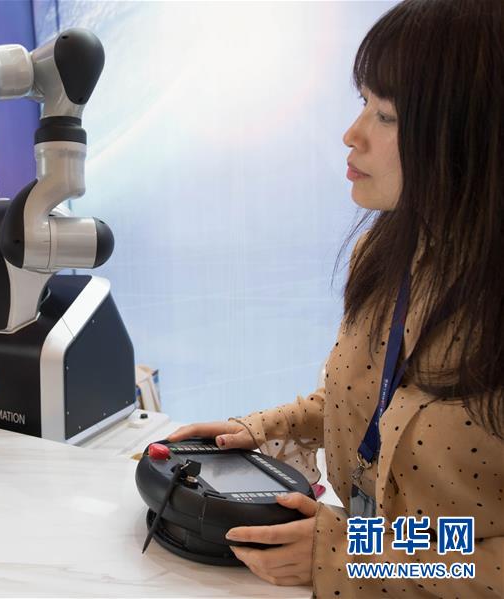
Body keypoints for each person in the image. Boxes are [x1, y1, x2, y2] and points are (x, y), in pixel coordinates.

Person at [169, 0, 503, 596]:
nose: (353, 134)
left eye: (387, 115)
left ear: (471, 133)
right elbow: (376, 398)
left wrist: (359, 559)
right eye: (363, 102)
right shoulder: (386, 251)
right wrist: (265, 429)